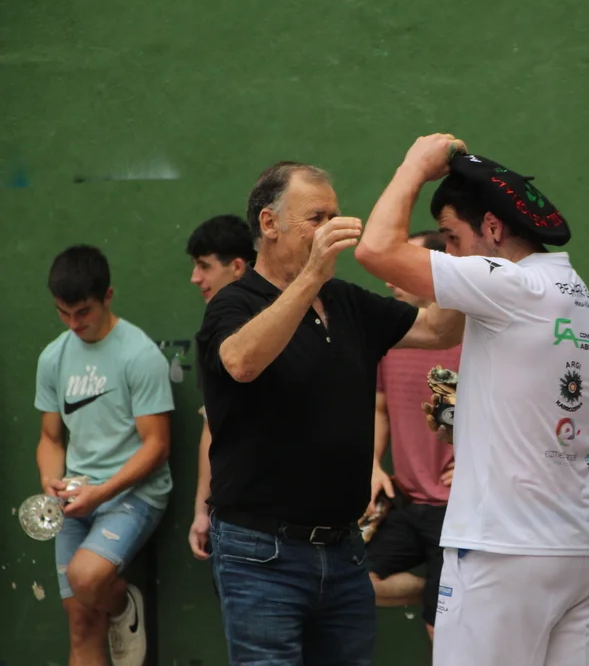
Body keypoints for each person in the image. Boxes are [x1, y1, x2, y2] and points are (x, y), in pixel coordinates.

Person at [354, 134, 589, 666]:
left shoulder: (509, 283)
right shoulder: (578, 295)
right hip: (583, 545)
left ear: (493, 229)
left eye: (451, 238)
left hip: (505, 549)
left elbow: (374, 250)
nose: (448, 254)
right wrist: (472, 422)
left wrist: (415, 164)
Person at [194, 161, 464, 666]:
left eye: (334, 217)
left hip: (344, 551)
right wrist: (313, 274)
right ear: (269, 224)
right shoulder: (235, 302)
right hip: (261, 553)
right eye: (316, 218)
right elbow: (242, 362)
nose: (330, 230)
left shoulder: (345, 302)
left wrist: (461, 254)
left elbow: (439, 330)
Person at [34, 245, 174, 666]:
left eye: (83, 312)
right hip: (75, 497)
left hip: (134, 494)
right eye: (63, 313)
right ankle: (109, 605)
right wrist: (51, 482)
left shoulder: (140, 354)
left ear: (107, 297)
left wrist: (102, 492)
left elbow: (157, 445)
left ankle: (122, 605)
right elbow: (50, 438)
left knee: (86, 578)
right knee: (80, 622)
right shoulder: (53, 357)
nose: (73, 324)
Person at [367, 230, 463, 642]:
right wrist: (372, 465)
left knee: (441, 632)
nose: (390, 280)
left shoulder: (475, 335)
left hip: (459, 510)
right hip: (407, 504)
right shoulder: (389, 335)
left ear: (435, 273)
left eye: (402, 269)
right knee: (353, 580)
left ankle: (446, 603)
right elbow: (379, 409)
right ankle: (438, 596)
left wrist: (483, 461)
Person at [184, 214, 255, 561]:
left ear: (237, 267)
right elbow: (213, 425)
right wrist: (202, 510)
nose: (195, 277)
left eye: (204, 266)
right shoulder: (212, 333)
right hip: (232, 518)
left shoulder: (289, 321)